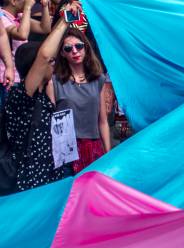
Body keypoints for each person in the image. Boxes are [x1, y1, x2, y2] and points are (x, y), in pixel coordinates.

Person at [4, 40, 64, 191]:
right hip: (28, 178)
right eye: (51, 61)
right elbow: (44, 56)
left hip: (48, 173)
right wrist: (65, 20)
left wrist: (46, 82)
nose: (53, 64)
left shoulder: (42, 96)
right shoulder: (19, 95)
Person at [52, 25, 111, 172]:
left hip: (93, 148)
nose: (75, 51)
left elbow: (103, 122)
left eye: (79, 46)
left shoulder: (98, 79)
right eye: (68, 48)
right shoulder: (54, 81)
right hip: (65, 151)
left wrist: (109, 154)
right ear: (62, 53)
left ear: (86, 48)